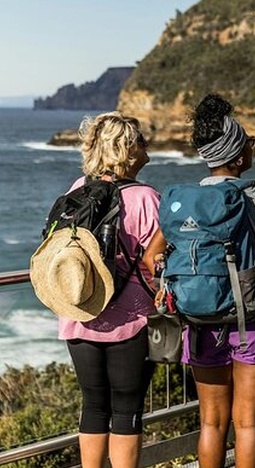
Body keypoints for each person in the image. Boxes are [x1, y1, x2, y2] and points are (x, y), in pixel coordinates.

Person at [143, 94, 255, 468]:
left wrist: (178, 288)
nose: (252, 147)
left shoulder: (185, 200)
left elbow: (152, 257)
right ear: (235, 156)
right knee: (248, 423)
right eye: (248, 142)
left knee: (211, 422)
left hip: (199, 322)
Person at [43, 113, 159, 468]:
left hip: (79, 313)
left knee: (93, 405)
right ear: (127, 149)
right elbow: (156, 264)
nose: (146, 146)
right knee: (127, 409)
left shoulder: (78, 189)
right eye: (140, 141)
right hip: (132, 320)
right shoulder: (146, 198)